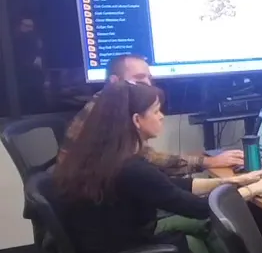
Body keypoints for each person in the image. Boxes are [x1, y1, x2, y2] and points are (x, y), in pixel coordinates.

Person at [52, 82, 262, 253]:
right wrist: (255, 189)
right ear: (136, 120)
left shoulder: (104, 157)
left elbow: (171, 187)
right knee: (206, 246)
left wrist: (231, 181)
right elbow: (201, 208)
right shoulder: (131, 169)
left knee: (209, 230)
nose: (162, 116)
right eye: (155, 111)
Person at [63, 54, 244, 174]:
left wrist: (202, 159)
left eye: (150, 78)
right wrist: (207, 162)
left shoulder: (107, 104)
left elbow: (145, 156)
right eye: (139, 79)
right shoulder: (107, 113)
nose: (149, 85)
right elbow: (148, 161)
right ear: (114, 81)